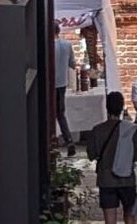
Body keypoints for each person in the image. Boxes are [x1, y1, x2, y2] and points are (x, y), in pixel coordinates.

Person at [87, 92, 137, 224]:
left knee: (109, 223)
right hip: (126, 180)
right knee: (130, 220)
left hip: (106, 181)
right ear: (121, 108)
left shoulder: (97, 130)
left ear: (106, 107)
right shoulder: (130, 129)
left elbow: (91, 154)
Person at [54, 24, 77, 157]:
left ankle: (53, 143)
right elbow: (72, 64)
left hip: (51, 83)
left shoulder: (49, 45)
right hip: (62, 83)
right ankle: (69, 140)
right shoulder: (67, 45)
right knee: (61, 114)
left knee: (50, 114)